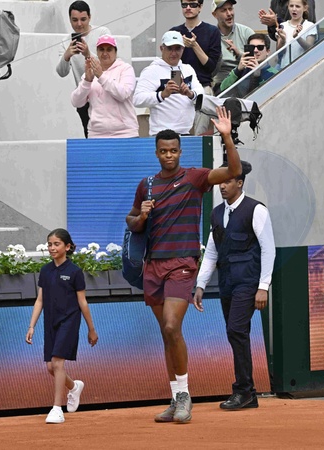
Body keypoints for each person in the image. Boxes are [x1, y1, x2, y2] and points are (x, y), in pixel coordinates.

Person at [125, 105, 241, 423]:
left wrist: (227, 137)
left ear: (180, 151)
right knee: (167, 334)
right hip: (153, 266)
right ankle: (176, 397)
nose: (169, 155)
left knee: (172, 326)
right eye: (163, 151)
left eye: (173, 150)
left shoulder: (194, 177)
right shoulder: (147, 185)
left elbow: (233, 171)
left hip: (182, 264)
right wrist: (142, 215)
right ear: (157, 153)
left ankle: (185, 396)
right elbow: (132, 221)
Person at [193, 160, 275, 410]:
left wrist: (263, 286)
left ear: (240, 183)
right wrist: (200, 284)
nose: (222, 186)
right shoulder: (216, 213)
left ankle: (243, 390)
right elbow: (212, 251)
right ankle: (248, 393)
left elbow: (268, 249)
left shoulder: (256, 209)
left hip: (248, 282)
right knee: (236, 333)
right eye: (220, 182)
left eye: (227, 181)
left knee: (236, 330)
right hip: (227, 282)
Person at [26, 228, 99, 424]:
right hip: (50, 321)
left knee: (58, 363)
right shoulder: (45, 270)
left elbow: (82, 302)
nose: (52, 248)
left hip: (69, 320)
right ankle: (74, 387)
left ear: (67, 247)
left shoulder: (75, 272)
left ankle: (57, 409)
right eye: (50, 244)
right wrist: (32, 326)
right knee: (51, 367)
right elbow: (40, 300)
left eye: (56, 244)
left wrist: (91, 329)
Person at [56, 0, 111, 138]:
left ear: (90, 17)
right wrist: (67, 55)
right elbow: (61, 72)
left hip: (104, 96)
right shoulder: (66, 41)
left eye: (83, 19)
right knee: (90, 137)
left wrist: (87, 54)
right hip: (84, 99)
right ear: (69, 20)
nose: (79, 24)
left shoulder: (102, 33)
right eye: (75, 20)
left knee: (108, 136)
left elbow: (108, 64)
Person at [133, 31, 204, 136]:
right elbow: (137, 100)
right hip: (161, 134)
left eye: (177, 48)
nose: (174, 53)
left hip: (185, 132)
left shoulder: (188, 69)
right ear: (162, 48)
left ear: (183, 49)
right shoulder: (151, 71)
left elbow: (201, 92)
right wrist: (162, 95)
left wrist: (190, 93)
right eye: (170, 48)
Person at [70, 35, 138, 138]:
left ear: (115, 52)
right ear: (97, 52)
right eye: (101, 49)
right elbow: (76, 102)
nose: (105, 53)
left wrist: (101, 76)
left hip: (125, 133)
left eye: (109, 50)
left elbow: (123, 94)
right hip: (96, 134)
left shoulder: (126, 69)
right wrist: (87, 81)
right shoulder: (90, 71)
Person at [170, 0, 222, 95]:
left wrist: (194, 45)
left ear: (200, 7)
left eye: (193, 5)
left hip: (203, 85)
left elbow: (211, 67)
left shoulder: (212, 31)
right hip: (179, 87)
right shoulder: (174, 32)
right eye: (184, 5)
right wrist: (176, 87)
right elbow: (171, 63)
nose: (188, 8)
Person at [210, 0, 254, 95]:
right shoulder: (211, 36)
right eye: (223, 10)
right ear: (215, 14)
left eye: (230, 9)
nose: (229, 14)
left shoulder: (246, 32)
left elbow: (257, 60)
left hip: (245, 80)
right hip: (221, 85)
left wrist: (238, 54)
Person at [275, 0, 317, 66]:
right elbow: (280, 53)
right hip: (285, 66)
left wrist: (297, 37)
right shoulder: (283, 25)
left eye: (297, 6)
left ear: (305, 8)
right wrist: (283, 40)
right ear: (288, 7)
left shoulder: (310, 25)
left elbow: (309, 48)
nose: (294, 9)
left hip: (303, 66)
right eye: (291, 6)